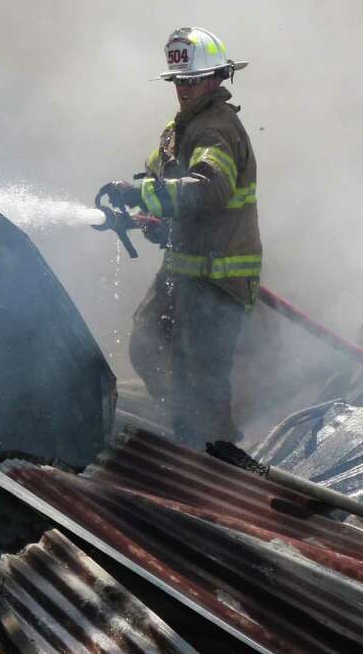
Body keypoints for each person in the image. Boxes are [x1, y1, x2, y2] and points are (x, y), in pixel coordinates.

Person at [105, 27, 261, 446]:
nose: (184, 89)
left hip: (216, 275)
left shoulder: (216, 129)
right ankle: (186, 426)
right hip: (184, 266)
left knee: (204, 377)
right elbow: (162, 183)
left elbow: (209, 189)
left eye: (193, 80)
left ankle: (217, 455)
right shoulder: (181, 128)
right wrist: (140, 212)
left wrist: (141, 193)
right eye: (178, 81)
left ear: (217, 78)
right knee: (146, 344)